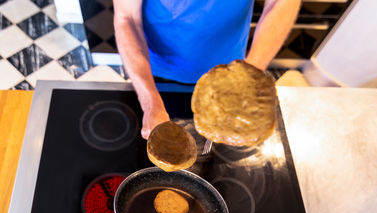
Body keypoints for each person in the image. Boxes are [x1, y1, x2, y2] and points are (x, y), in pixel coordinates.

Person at [113, 0, 301, 139]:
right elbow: (126, 17)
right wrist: (149, 103)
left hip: (231, 68)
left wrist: (249, 75)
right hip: (155, 70)